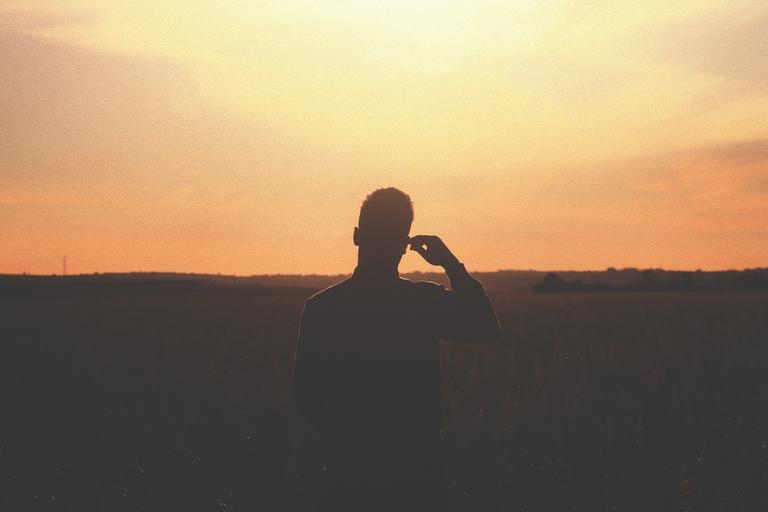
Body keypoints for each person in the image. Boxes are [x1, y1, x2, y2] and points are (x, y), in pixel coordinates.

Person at [292, 187, 500, 510]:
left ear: (356, 236)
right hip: (418, 475)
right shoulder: (422, 302)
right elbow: (486, 327)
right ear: (405, 246)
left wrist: (352, 439)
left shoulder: (323, 308)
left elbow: (306, 395)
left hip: (348, 476)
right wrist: (449, 263)